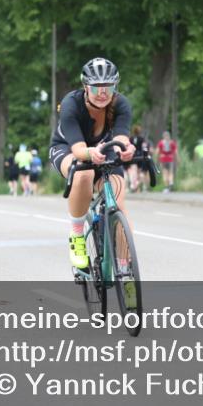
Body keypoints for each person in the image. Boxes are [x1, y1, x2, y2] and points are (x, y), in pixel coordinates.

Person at [48, 57, 136, 270]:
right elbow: (79, 150)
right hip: (68, 148)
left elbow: (122, 137)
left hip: (102, 151)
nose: (103, 93)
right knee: (83, 173)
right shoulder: (71, 104)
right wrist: (90, 152)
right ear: (85, 87)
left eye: (109, 86)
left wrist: (125, 148)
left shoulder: (120, 103)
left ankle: (126, 269)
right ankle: (77, 235)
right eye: (97, 88)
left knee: (118, 204)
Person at [126, 124, 150, 193]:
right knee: (140, 172)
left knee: (134, 172)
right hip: (140, 156)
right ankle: (137, 185)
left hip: (133, 156)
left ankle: (133, 185)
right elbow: (144, 147)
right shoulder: (142, 139)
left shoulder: (131, 138)